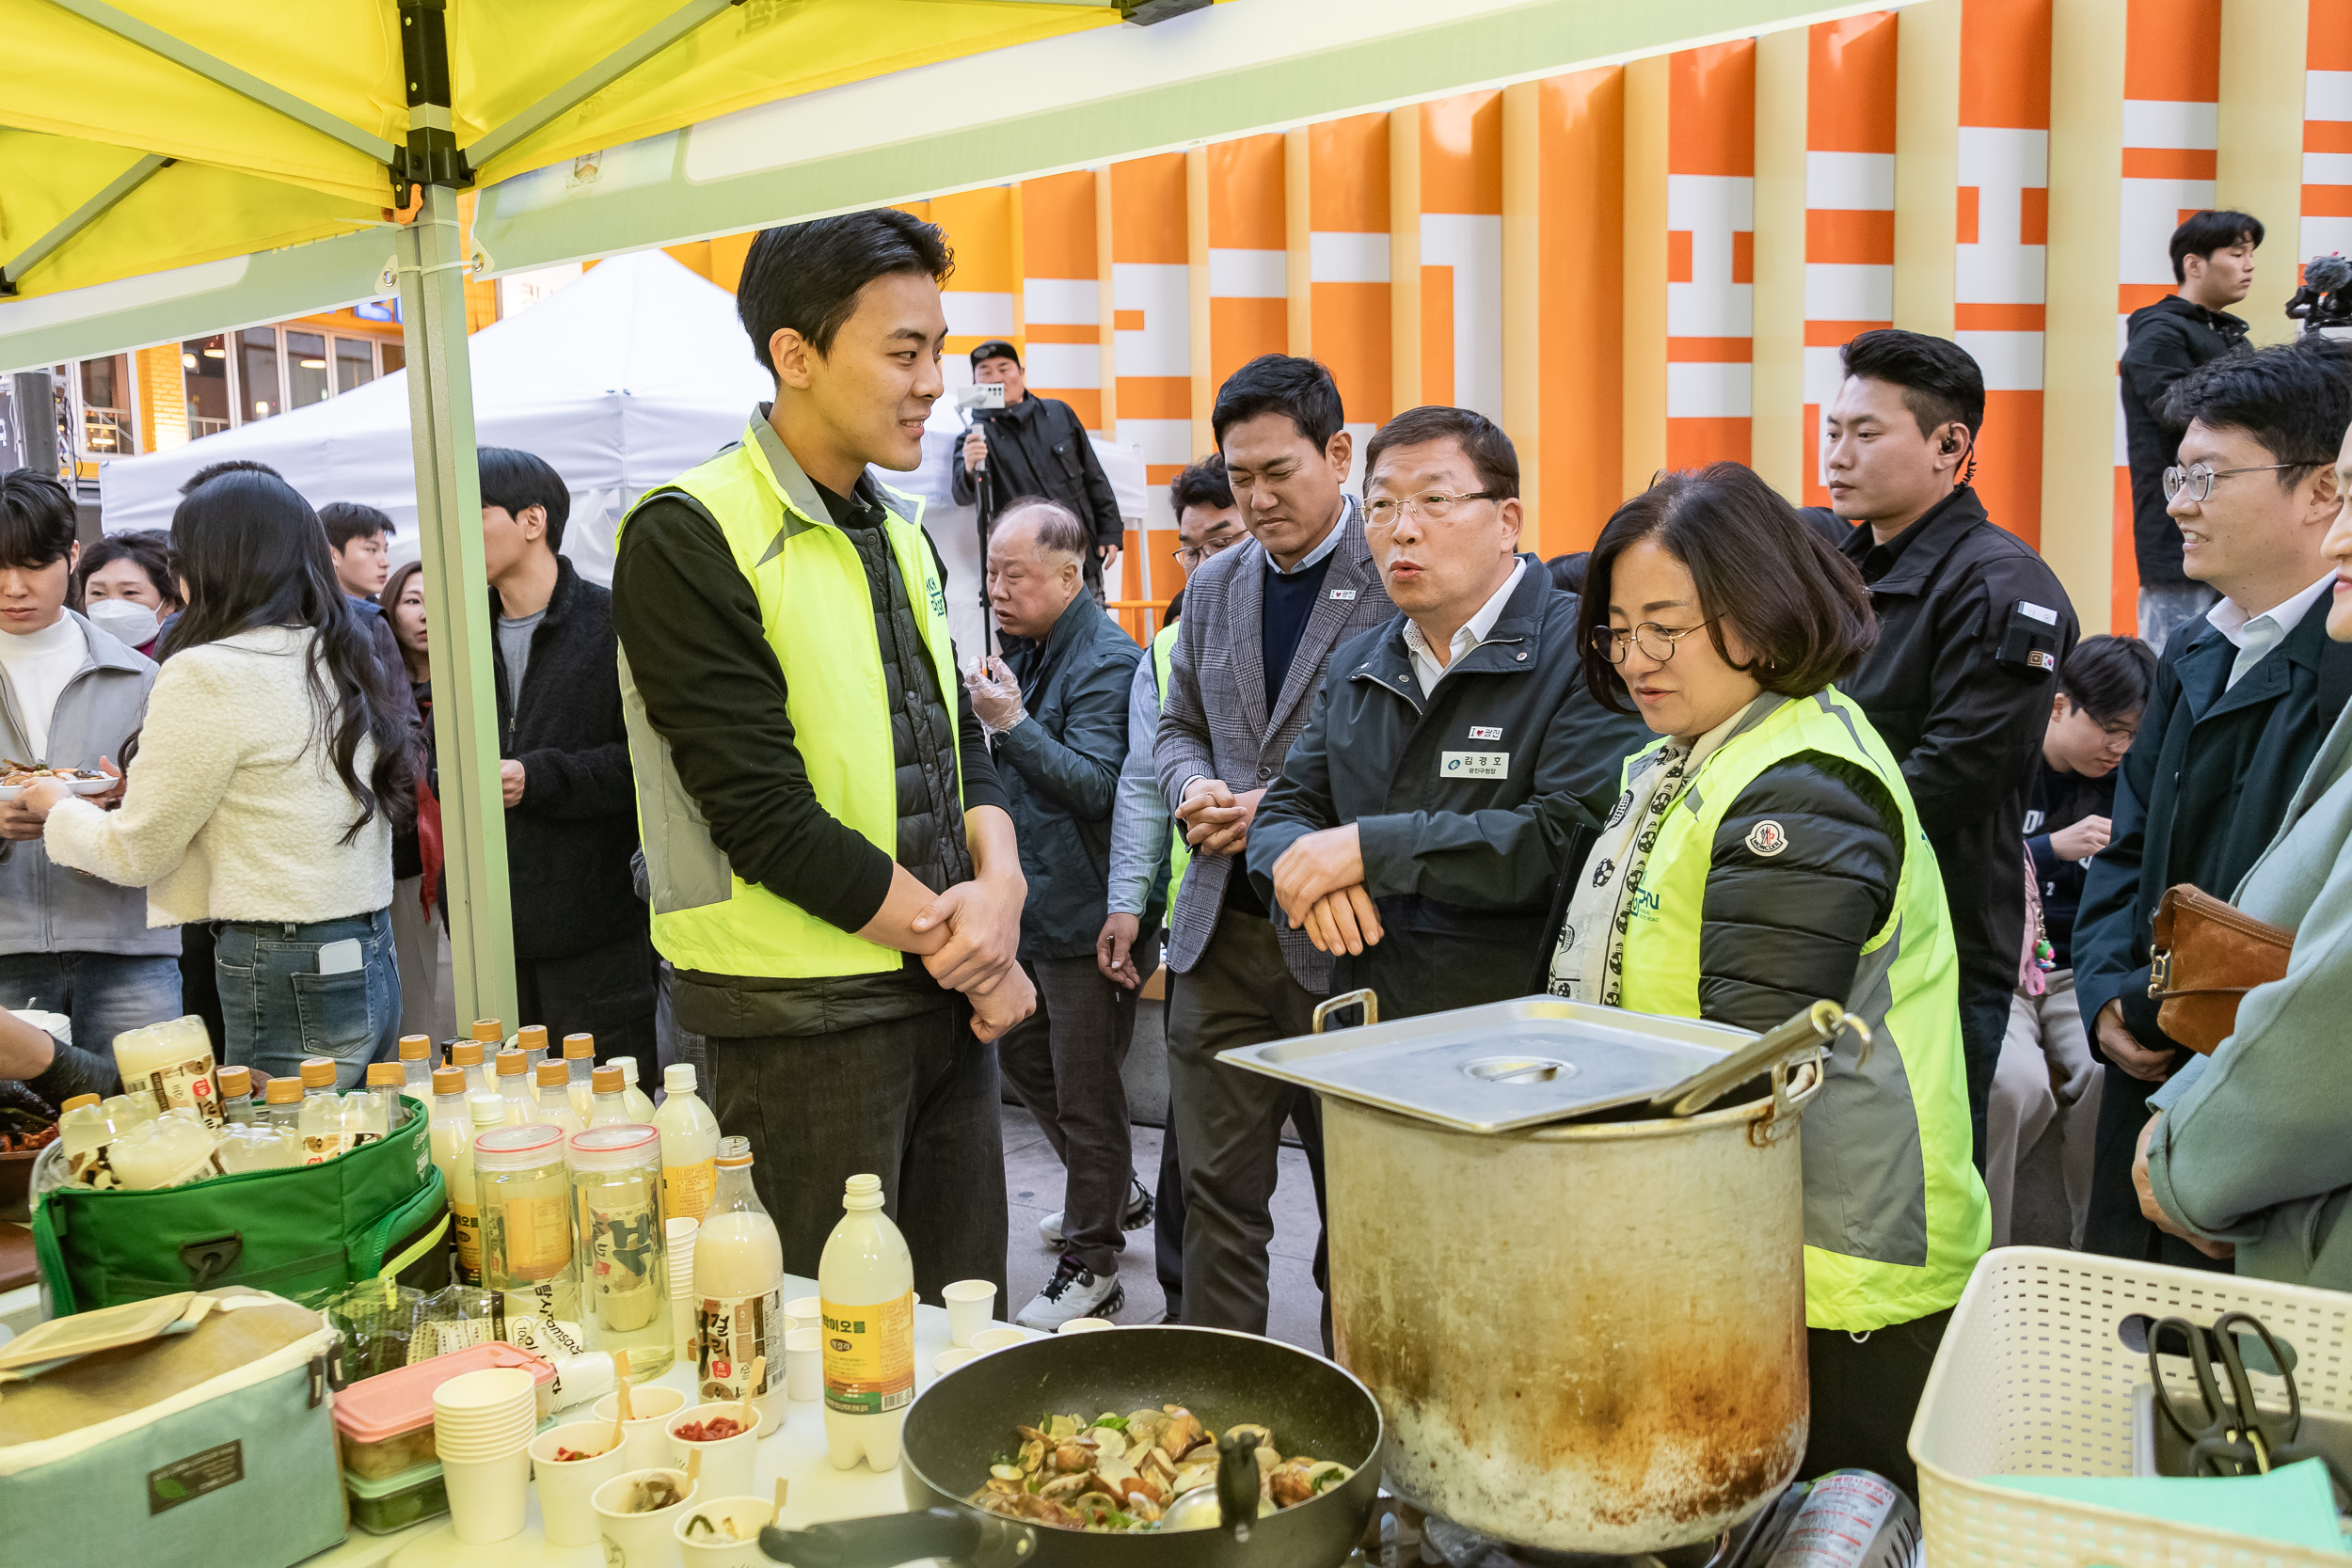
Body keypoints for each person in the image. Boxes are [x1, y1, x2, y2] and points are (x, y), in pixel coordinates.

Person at [611, 210, 1030, 1302]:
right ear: (794, 354)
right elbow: (762, 813)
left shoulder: (895, 528)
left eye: (937, 347)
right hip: (798, 1021)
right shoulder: (689, 529)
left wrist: (1006, 887)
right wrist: (971, 947)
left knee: (959, 1328)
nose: (934, 381)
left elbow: (953, 748)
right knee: (825, 1361)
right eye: (903, 351)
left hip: (933, 999)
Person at [1546, 462, 1987, 1495]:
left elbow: (1741, 1063)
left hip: (1835, 1275)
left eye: (1667, 625)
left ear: (1762, 611)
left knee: (1832, 1520)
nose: (1636, 658)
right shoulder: (1693, 753)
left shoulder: (1802, 786)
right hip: (1731, 1241)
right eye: (1617, 627)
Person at [2074, 339, 2352, 1267]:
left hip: (2270, 1115)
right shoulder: (2193, 651)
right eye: (2173, 476)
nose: (2179, 504)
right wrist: (2109, 993)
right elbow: (2127, 847)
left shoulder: (2339, 668)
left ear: (2319, 487)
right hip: (2151, 1056)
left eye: (2204, 475)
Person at [1248, 405, 1647, 1017]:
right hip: (1367, 1017)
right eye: (1382, 506)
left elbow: (1568, 838)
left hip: (1517, 1030)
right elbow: (1287, 808)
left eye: (1434, 500)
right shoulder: (1359, 662)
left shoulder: (1583, 653)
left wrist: (1367, 851)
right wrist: (1302, 875)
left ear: (1506, 520)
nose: (1403, 529)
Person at [17, 468, 412, 1085]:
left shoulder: (208, 669)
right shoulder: (332, 649)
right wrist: (138, 791)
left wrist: (55, 804)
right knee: (355, 1141)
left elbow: (136, 854)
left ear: (205, 564)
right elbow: (275, 799)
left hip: (284, 957)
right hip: (367, 944)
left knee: (287, 1156)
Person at [1154, 354, 1395, 1340]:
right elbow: (1175, 727)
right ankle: (1225, 1409)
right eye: (1239, 475)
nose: (1255, 498)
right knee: (1216, 1198)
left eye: (1277, 472)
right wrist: (1193, 788)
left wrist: (1280, 812)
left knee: (1363, 1207)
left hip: (1344, 940)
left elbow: (1407, 755)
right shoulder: (1212, 588)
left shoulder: (1393, 575)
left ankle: (1362, 1416)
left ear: (1338, 453)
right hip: (1221, 938)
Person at [1813, 327, 2077, 1165]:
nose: (1838, 454)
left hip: (1940, 938)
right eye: (1832, 430)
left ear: (1949, 444)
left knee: (1921, 1185)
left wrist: (1798, 823)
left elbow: (1956, 774)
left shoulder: (2004, 586)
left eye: (1866, 433)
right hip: (1828, 915)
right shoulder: (1838, 565)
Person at [965, 498, 1149, 1328]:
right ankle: (1107, 1194)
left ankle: (1094, 1264)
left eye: (1014, 574)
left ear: (1070, 575)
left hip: (1085, 915)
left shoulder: (1107, 657)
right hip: (1033, 906)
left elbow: (1100, 786)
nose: (996, 590)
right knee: (1025, 1063)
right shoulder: (1032, 648)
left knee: (1086, 1092)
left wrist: (1013, 723)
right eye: (992, 573)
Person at [1101, 453, 1248, 1325]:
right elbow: (1142, 784)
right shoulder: (1169, 643)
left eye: (1219, 540)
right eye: (1189, 550)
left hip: (1323, 929)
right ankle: (1189, 1327)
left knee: (1334, 1164)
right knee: (1196, 1158)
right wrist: (1130, 899)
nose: (1201, 566)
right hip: (1203, 928)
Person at [479, 446, 652, 1063]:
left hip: (597, 931)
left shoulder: (613, 620)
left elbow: (648, 767)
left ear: (532, 521)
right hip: (492, 937)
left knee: (608, 1121)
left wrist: (538, 776)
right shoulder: (463, 634)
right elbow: (438, 754)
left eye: (475, 513)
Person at [0, 471, 181, 1054]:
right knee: (18, 1139)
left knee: (150, 1127)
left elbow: (179, 816)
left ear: (72, 556)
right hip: (5, 951)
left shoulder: (141, 676)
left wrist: (129, 806)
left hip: (128, 947)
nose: (13, 587)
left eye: (31, 564)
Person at [1985, 634, 2154, 1250]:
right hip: (2002, 962)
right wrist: (2048, 847)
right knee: (2011, 1084)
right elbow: (1955, 862)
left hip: (2078, 970)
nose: (2121, 747)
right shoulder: (2002, 760)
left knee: (2108, 1075)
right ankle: (1986, 1257)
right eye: (2111, 727)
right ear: (2059, 706)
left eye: (2134, 733)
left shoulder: (2130, 781)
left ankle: (2091, 1251)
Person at [2122, 211, 2262, 648]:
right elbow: (2180, 412)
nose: (2249, 265)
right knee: (2174, 670)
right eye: (2237, 253)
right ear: (2194, 264)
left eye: (2252, 254)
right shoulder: (2160, 334)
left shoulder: (2226, 335)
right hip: (2179, 542)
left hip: (2238, 537)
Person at [951, 341, 1125, 594]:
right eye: (985, 372)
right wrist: (970, 466)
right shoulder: (973, 438)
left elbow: (1094, 475)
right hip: (1024, 567)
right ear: (974, 382)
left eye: (1003, 368)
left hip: (1077, 551)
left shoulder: (1058, 413)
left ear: (1020, 373)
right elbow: (961, 495)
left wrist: (1111, 531)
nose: (996, 379)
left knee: (1089, 628)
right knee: (1033, 632)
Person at [379, 557, 449, 1044]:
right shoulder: (379, 687)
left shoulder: (467, 681)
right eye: (411, 601)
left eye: (433, 601)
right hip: (404, 858)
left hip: (463, 855)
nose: (425, 614)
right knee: (417, 993)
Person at [72, 530, 179, 657]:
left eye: (129, 592)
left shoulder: (185, 662)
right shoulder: (72, 656)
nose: (112, 609)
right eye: (98, 593)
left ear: (168, 603)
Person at [322, 500, 396, 604]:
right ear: (333, 555)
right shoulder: (305, 616)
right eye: (371, 549)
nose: (385, 563)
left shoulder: (386, 615)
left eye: (385, 550)